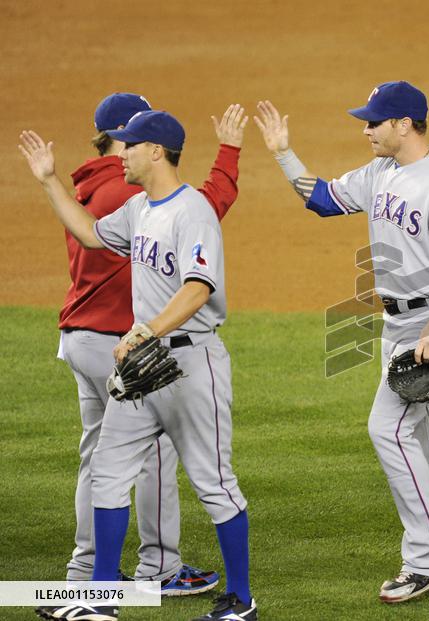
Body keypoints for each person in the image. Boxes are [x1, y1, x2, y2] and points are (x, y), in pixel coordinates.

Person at [20, 109, 256, 621]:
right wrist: (48, 181)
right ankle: (101, 601)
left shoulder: (191, 211)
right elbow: (88, 233)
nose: (119, 153)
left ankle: (240, 600)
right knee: (107, 473)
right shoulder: (140, 208)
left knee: (214, 482)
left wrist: (147, 328)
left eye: (128, 146)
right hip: (142, 365)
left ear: (156, 152)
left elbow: (198, 289)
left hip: (193, 364)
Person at [254, 81, 429, 603]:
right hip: (398, 325)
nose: (366, 129)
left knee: (388, 429)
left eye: (375, 121)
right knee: (419, 441)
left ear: (405, 124)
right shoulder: (381, 172)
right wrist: (284, 153)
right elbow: (322, 199)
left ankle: (422, 560)